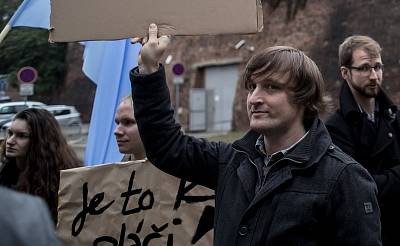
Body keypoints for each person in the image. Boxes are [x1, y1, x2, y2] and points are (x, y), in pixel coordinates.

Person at [130, 28, 382, 245]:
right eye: (252, 87)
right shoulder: (232, 161)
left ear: (304, 98)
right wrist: (149, 68)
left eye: (271, 87)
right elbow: (166, 146)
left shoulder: (344, 178)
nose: (255, 98)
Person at [326, 35, 400, 246]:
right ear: (345, 72)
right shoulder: (335, 128)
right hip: (368, 237)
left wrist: (380, 183)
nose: (374, 76)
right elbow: (355, 192)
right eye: (365, 68)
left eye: (378, 67)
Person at [0, 107, 82, 222]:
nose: (9, 141)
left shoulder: (58, 179)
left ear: (40, 141)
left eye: (22, 136)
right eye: (10, 133)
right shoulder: (6, 172)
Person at [114, 96, 146, 161]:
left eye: (127, 122)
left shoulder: (170, 168)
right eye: (117, 123)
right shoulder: (119, 169)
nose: (116, 131)